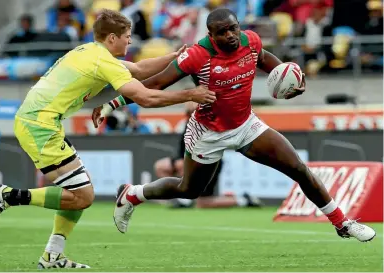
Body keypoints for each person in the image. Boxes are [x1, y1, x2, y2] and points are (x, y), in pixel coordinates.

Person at [93, 8, 376, 242]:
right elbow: (153, 83)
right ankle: (133, 194)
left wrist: (292, 78)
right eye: (222, 32)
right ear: (210, 34)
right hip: (208, 132)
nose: (230, 35)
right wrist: (111, 104)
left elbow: (265, 60)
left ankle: (343, 223)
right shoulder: (197, 55)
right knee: (188, 190)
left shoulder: (250, 41)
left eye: (233, 29)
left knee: (299, 169)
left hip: (246, 126)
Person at [0, 9, 216, 269]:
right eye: (127, 37)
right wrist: (189, 94)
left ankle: (52, 255)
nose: (130, 41)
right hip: (39, 124)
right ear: (113, 37)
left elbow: (138, 69)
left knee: (79, 193)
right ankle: (7, 196)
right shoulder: (101, 61)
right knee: (83, 196)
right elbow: (145, 98)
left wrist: (174, 58)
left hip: (40, 121)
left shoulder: (91, 51)